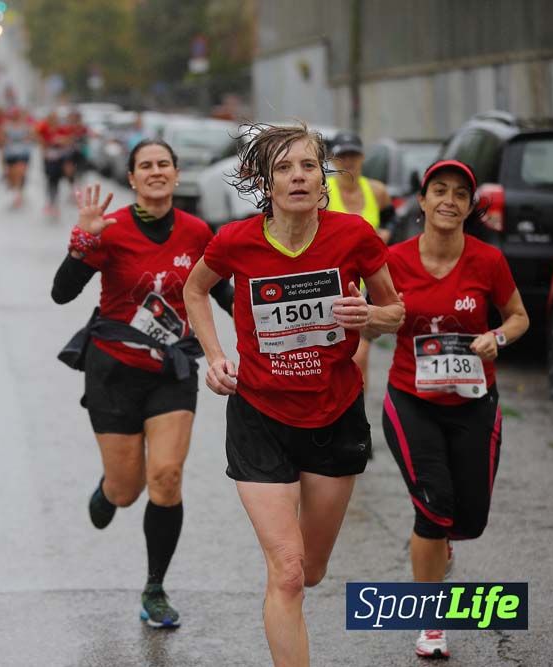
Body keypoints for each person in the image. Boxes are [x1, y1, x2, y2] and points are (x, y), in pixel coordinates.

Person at [183, 123, 405, 666]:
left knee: (311, 569)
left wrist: (369, 315)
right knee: (286, 571)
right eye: (284, 168)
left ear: (322, 178)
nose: (298, 177)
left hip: (334, 414)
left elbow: (395, 312)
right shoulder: (235, 241)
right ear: (265, 182)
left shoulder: (354, 235)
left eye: (308, 166)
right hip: (260, 416)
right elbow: (194, 288)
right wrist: (214, 355)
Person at [51, 140, 234, 629]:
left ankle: (155, 588)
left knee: (167, 477)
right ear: (132, 178)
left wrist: (265, 322)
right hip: (113, 370)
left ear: (176, 173)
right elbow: (61, 293)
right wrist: (82, 244)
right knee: (127, 490)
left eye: (164, 164)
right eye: (146, 166)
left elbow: (221, 291)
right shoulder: (110, 229)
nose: (156, 171)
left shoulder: (197, 232)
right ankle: (109, 490)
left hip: (171, 371)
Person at [379, 159, 528, 660]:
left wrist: (497, 337)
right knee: (433, 506)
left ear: (469, 207)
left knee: (470, 519)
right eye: (439, 190)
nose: (449, 200)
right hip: (411, 399)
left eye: (460, 194)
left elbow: (519, 317)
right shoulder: (393, 261)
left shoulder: (488, 260)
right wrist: (381, 316)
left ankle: (442, 540)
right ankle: (431, 621)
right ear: (421, 202)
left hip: (474, 403)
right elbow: (368, 321)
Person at [326, 132, 395, 410]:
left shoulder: (376, 191)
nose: (349, 162)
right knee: (332, 356)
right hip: (333, 284)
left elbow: (391, 218)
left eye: (353, 155)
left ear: (362, 157)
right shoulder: (323, 190)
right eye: (343, 156)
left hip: (367, 284)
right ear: (333, 159)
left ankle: (356, 415)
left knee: (359, 355)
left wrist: (385, 233)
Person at [36, 112, 70, 218]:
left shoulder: (61, 129)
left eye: (55, 119)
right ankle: (50, 202)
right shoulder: (44, 129)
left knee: (56, 181)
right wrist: (45, 146)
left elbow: (67, 141)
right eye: (51, 119)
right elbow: (39, 140)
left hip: (59, 158)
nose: (53, 121)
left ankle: (55, 203)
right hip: (48, 158)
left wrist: (60, 140)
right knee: (50, 180)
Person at [0, 107, 33, 209]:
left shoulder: (25, 125)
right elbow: (2, 139)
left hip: (23, 153)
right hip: (10, 154)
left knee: (20, 172)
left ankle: (18, 194)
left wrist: (27, 138)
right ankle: (16, 190)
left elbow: (31, 136)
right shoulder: (6, 126)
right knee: (13, 175)